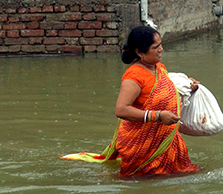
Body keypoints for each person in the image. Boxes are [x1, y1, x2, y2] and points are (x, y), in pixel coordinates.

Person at [61, 26, 201, 177]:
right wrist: (158, 116)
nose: (161, 49)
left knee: (182, 175)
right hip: (142, 146)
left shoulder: (159, 68)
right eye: (155, 47)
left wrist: (187, 86)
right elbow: (121, 110)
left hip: (164, 140)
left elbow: (165, 91)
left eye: (160, 44)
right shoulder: (134, 76)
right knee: (143, 181)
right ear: (139, 52)